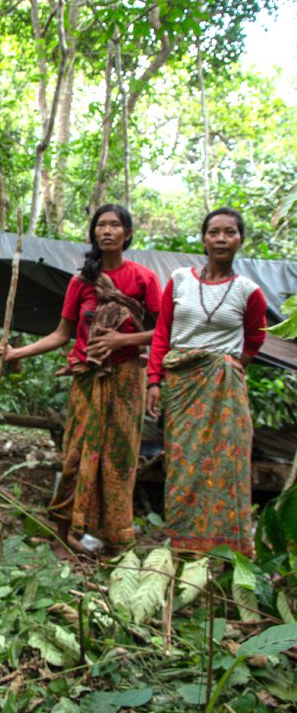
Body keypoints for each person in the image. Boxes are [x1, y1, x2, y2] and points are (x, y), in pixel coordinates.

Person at [0, 205, 161, 555]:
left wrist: (122, 341)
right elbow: (60, 335)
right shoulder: (80, 282)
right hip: (86, 380)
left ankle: (117, 541)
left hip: (128, 379)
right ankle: (63, 535)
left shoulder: (144, 278)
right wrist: (13, 354)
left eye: (116, 225)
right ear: (93, 233)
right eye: (101, 225)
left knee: (119, 459)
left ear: (127, 234)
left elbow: (164, 331)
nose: (108, 230)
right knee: (76, 455)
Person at [146, 208, 267, 556]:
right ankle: (185, 549)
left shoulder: (249, 291)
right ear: (203, 239)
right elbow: (162, 334)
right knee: (183, 465)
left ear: (240, 240)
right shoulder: (180, 280)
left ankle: (229, 554)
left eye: (230, 232)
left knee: (228, 465)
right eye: (214, 232)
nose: (221, 239)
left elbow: (255, 338)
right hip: (182, 386)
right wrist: (154, 380)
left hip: (225, 389)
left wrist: (230, 364)